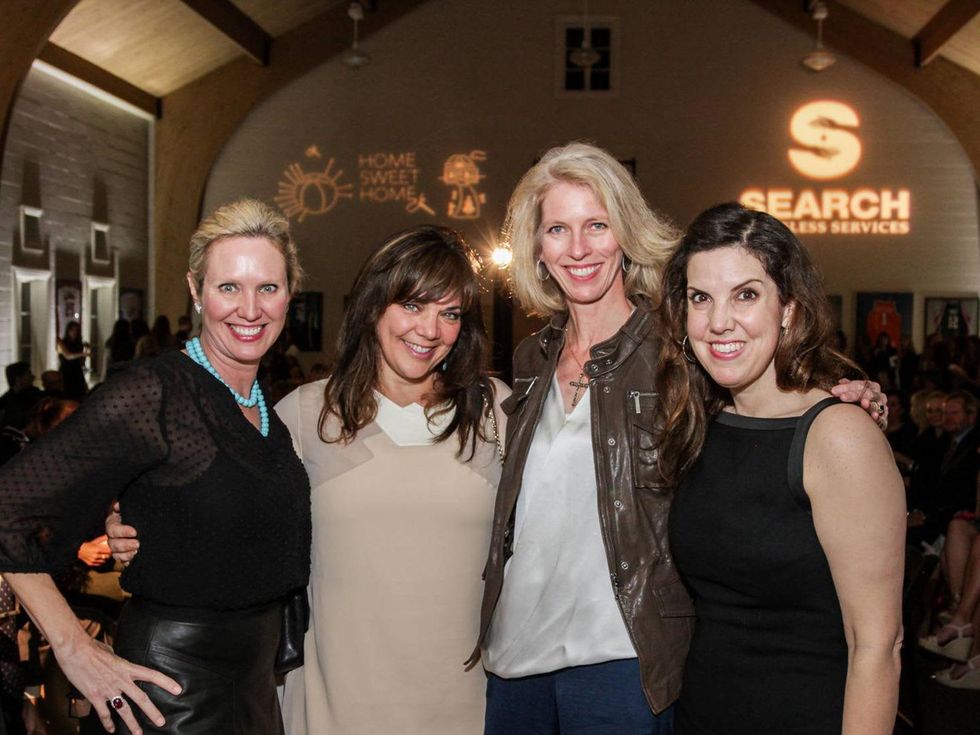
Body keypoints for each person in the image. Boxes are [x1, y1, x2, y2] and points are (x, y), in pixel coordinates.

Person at [470, 144, 887, 734]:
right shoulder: (529, 359)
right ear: (537, 248)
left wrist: (847, 396)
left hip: (624, 662)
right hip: (514, 661)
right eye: (558, 229)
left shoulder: (679, 349)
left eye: (597, 225)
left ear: (625, 234)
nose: (579, 247)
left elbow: (765, 399)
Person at [110, 225, 508, 734]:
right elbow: (220, 508)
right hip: (335, 701)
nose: (429, 329)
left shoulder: (495, 411)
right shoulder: (302, 415)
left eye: (449, 313)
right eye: (411, 305)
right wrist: (136, 526)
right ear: (372, 307)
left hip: (467, 701)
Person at [0, 198, 311, 734]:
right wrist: (73, 647)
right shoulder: (153, 391)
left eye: (268, 287)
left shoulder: (261, 405)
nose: (250, 309)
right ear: (196, 290)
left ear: (289, 294)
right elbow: (7, 506)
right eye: (228, 287)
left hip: (256, 686)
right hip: (170, 691)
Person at [656, 202, 905, 734]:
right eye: (701, 298)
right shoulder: (700, 423)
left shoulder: (837, 435)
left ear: (788, 307)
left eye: (746, 294)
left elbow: (878, 646)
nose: (720, 321)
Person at [57, 322, 89, 400]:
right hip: (66, 373)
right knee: (67, 396)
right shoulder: (62, 343)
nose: (74, 332)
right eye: (72, 330)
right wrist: (83, 354)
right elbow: (68, 356)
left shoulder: (79, 344)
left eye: (76, 330)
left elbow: (81, 363)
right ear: (68, 331)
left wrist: (86, 350)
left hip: (77, 372)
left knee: (80, 396)